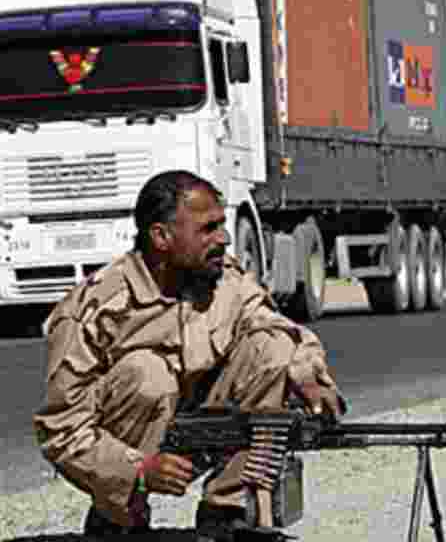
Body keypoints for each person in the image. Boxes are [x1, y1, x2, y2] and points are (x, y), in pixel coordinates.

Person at [33, 170, 344, 539]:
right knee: (147, 374)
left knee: (273, 350)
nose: (224, 238)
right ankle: (119, 519)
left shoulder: (225, 280)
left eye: (221, 226)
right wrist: (137, 472)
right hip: (133, 452)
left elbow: (275, 328)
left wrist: (308, 375)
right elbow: (61, 429)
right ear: (161, 237)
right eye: (208, 229)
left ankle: (225, 511)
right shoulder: (97, 307)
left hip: (206, 428)